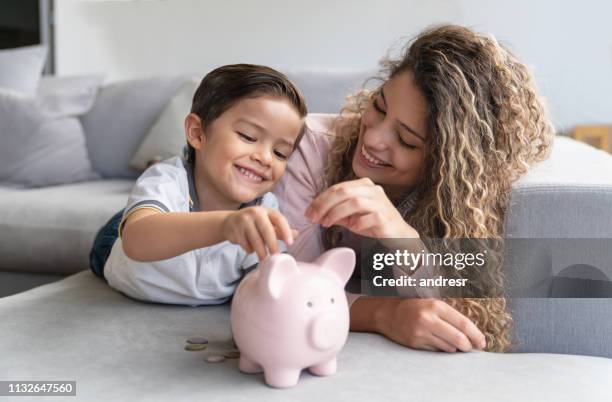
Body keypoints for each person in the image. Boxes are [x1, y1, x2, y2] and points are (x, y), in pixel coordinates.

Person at [274, 25, 554, 352]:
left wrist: (402, 236)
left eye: (406, 140)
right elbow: (289, 288)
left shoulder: (465, 201)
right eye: (379, 107)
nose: (374, 138)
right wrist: (384, 314)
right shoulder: (308, 148)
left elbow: (462, 317)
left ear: (445, 164)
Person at [89, 64, 307, 306]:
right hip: (121, 245)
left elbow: (264, 289)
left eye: (280, 153)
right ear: (197, 132)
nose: (265, 158)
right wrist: (225, 225)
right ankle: (140, 203)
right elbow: (136, 241)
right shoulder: (167, 180)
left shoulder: (265, 211)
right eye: (247, 137)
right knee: (130, 221)